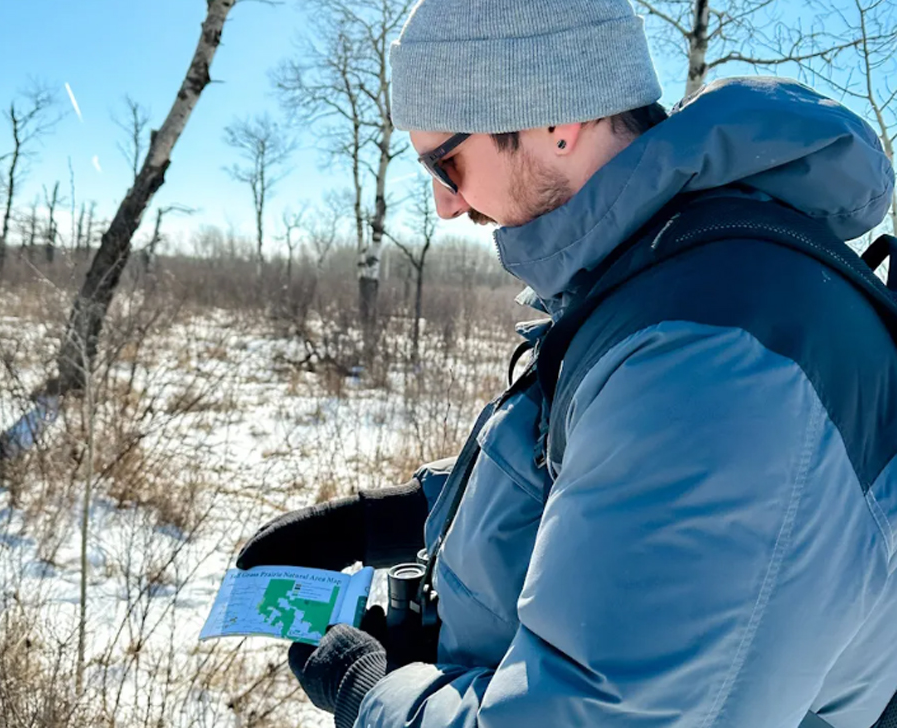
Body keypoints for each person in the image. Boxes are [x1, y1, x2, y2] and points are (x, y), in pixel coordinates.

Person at [236, 0, 897, 726]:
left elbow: (598, 714)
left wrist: (370, 691)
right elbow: (591, 465)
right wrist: (391, 519)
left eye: (446, 163)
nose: (445, 205)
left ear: (556, 120)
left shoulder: (713, 350)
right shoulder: (667, 274)